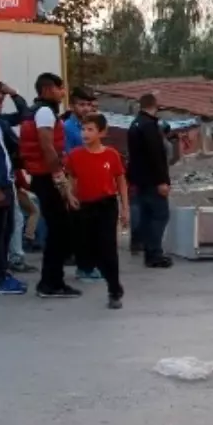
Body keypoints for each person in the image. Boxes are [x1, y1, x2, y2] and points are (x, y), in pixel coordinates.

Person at [18, 73, 80, 298]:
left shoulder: (39, 111)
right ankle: (50, 283)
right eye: (59, 88)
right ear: (46, 90)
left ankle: (52, 281)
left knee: (59, 230)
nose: (62, 92)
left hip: (43, 176)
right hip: (47, 177)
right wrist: (60, 179)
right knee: (59, 230)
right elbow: (47, 146)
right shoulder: (44, 112)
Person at [65, 115, 128, 308]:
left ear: (101, 132)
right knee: (89, 248)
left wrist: (125, 207)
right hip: (84, 206)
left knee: (108, 248)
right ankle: (100, 271)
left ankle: (114, 290)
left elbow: (120, 181)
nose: (85, 133)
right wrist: (69, 195)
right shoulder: (74, 155)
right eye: (83, 129)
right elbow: (71, 179)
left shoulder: (111, 155)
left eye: (90, 129)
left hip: (106, 205)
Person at [126, 93, 173, 268]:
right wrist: (162, 181)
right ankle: (154, 253)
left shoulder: (135, 124)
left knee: (146, 216)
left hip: (139, 180)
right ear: (155, 105)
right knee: (160, 215)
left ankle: (148, 250)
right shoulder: (149, 126)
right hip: (153, 181)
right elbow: (156, 156)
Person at [63, 87, 101, 281]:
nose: (85, 108)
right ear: (72, 106)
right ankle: (84, 268)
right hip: (77, 183)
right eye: (81, 104)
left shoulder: (88, 127)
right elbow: (66, 158)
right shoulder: (67, 127)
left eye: (88, 104)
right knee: (82, 227)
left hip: (92, 182)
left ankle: (90, 264)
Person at [0, 85, 25, 294]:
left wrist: (13, 93)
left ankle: (1, 271)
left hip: (7, 184)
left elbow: (24, 114)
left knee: (6, 230)